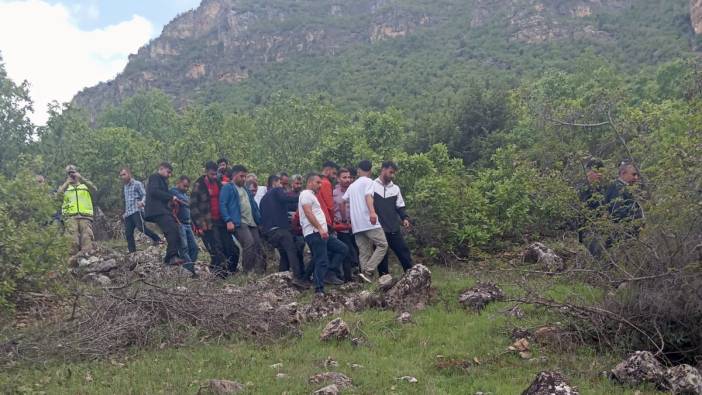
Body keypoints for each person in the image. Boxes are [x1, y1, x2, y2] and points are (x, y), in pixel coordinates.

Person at [299, 173, 347, 295]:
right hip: (314, 232)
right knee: (322, 260)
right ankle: (318, 289)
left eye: (321, 182)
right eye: (318, 182)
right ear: (310, 182)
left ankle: (327, 273)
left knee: (342, 249)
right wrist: (320, 228)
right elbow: (308, 213)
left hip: (322, 232)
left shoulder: (312, 196)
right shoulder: (305, 194)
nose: (320, 185)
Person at [343, 160, 388, 283]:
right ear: (370, 170)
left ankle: (365, 280)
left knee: (364, 252)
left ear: (358, 170)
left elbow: (343, 201)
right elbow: (368, 196)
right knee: (383, 244)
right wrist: (372, 213)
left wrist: (345, 218)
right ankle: (368, 270)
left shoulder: (352, 186)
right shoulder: (369, 182)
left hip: (356, 224)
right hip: (368, 221)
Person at [191, 161, 239, 276]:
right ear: (206, 172)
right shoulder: (199, 185)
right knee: (217, 250)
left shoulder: (218, 182)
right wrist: (199, 225)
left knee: (232, 249)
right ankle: (220, 275)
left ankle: (231, 271)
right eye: (211, 174)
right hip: (208, 223)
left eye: (215, 174)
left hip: (221, 220)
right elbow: (193, 207)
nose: (214, 176)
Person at [260, 175, 309, 286]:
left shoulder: (263, 199)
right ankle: (298, 278)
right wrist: (303, 196)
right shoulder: (277, 190)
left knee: (284, 253)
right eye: (281, 184)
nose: (283, 188)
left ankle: (282, 279)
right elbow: (286, 198)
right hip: (280, 229)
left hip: (269, 232)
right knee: (291, 250)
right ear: (274, 183)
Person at [144, 162, 193, 273]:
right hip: (157, 210)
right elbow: (154, 191)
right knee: (172, 229)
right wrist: (171, 197)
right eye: (168, 172)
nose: (169, 175)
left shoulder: (163, 181)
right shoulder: (154, 177)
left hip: (161, 210)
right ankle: (172, 256)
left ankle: (169, 258)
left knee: (172, 229)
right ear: (161, 169)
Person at [220, 165, 266, 274]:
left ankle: (259, 271)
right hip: (239, 221)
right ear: (234, 175)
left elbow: (253, 205)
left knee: (258, 245)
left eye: (245, 176)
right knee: (249, 243)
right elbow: (223, 204)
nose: (244, 179)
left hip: (251, 222)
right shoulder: (228, 187)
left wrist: (260, 220)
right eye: (241, 176)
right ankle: (247, 271)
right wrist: (228, 220)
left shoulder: (245, 189)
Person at [373, 161, 413, 275]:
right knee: (382, 256)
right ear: (383, 169)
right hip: (378, 228)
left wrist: (405, 218)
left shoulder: (395, 188)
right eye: (390, 172)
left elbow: (400, 207)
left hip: (393, 227)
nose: (392, 175)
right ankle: (384, 280)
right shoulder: (372, 185)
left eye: (394, 173)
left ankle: (412, 275)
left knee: (403, 251)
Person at [119, 167, 163, 253]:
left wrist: (142, 202)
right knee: (128, 233)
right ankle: (132, 252)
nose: (122, 177)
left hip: (137, 210)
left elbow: (145, 195)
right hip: (128, 213)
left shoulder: (137, 184)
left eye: (124, 174)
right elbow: (127, 200)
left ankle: (157, 239)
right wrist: (125, 213)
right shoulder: (125, 187)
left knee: (140, 227)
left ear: (129, 174)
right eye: (121, 175)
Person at [59, 165, 97, 254]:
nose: (72, 175)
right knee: (71, 239)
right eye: (69, 173)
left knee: (86, 237)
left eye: (73, 172)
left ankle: (86, 257)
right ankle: (72, 260)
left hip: (85, 216)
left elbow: (94, 189)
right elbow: (57, 196)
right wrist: (66, 183)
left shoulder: (84, 185)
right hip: (70, 216)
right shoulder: (65, 187)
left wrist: (82, 179)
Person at [333, 167, 359, 281]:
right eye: (344, 177)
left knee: (356, 250)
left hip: (355, 226)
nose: (348, 179)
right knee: (348, 252)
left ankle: (355, 275)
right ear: (338, 179)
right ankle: (347, 277)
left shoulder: (354, 190)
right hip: (341, 228)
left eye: (349, 177)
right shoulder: (334, 193)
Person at [171, 176, 199, 264]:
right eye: (184, 186)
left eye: (187, 186)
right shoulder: (173, 191)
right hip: (179, 223)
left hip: (188, 224)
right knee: (184, 247)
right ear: (179, 182)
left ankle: (190, 265)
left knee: (194, 247)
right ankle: (189, 269)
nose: (186, 188)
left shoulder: (186, 195)